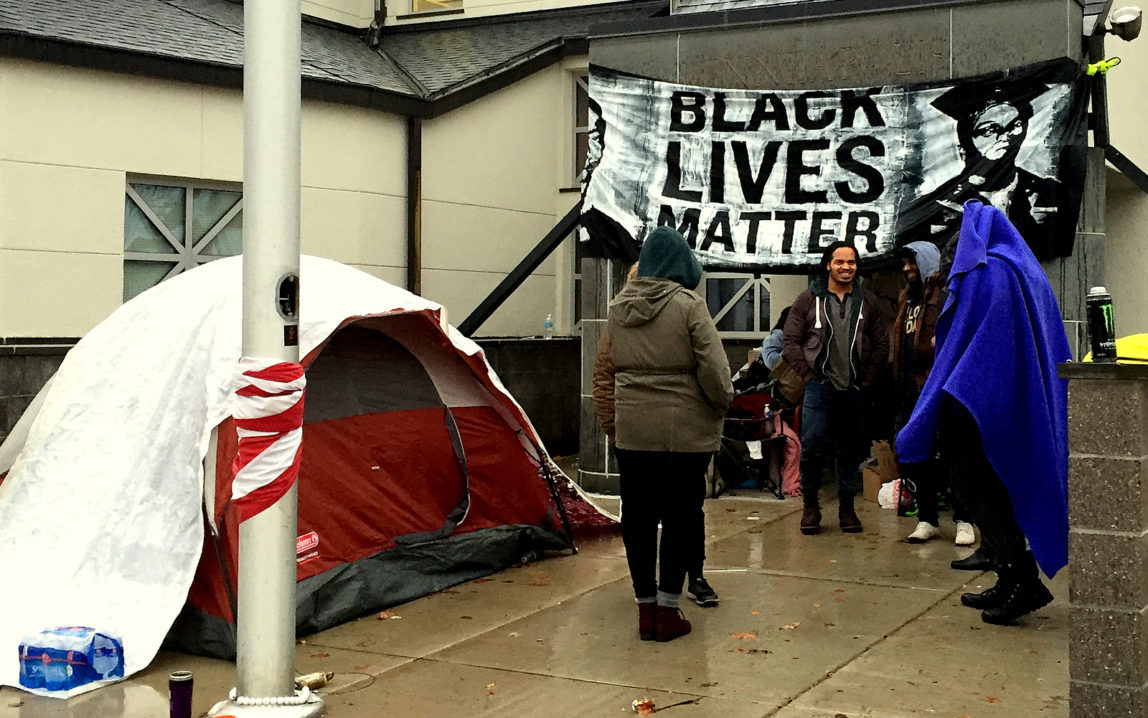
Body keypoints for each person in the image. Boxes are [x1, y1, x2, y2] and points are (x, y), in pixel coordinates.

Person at [898, 200, 1070, 625]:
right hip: (1008, 401)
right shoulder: (1021, 269)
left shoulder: (988, 273)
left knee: (978, 490)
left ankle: (1021, 580)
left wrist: (938, 399)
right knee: (997, 489)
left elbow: (961, 342)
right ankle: (1011, 578)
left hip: (975, 404)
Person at [598, 226, 733, 642]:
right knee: (679, 517)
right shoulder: (690, 305)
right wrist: (721, 403)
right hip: (684, 435)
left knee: (637, 518)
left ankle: (644, 610)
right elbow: (715, 372)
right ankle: (669, 612)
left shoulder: (618, 308)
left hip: (633, 432)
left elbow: (608, 366)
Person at [782, 241, 889, 535]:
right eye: (839, 262)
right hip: (820, 388)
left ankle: (847, 509)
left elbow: (882, 344)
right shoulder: (807, 300)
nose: (846, 267)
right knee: (813, 447)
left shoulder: (868, 301)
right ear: (828, 264)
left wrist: (867, 379)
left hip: (854, 389)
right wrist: (808, 375)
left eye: (851, 262)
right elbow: (789, 341)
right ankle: (811, 507)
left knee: (850, 451)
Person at [898, 79, 1067, 261]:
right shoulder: (941, 203)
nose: (1004, 137)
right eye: (989, 130)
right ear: (965, 142)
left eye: (1015, 126)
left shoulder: (1046, 191)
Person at [893, 241, 976, 547]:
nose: (907, 269)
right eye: (904, 263)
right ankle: (926, 518)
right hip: (911, 390)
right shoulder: (906, 298)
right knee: (918, 455)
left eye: (912, 262)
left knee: (955, 455)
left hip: (941, 386)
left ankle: (964, 520)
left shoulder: (945, 295)